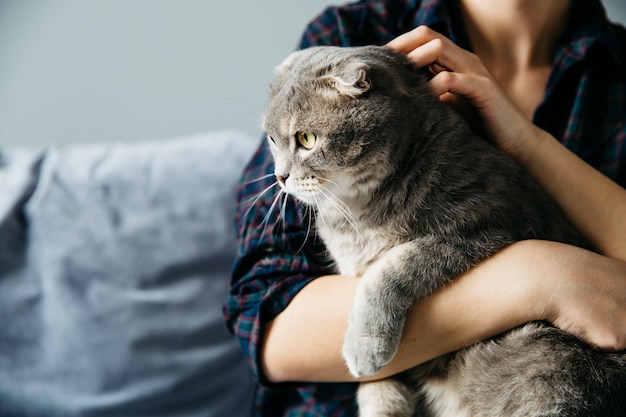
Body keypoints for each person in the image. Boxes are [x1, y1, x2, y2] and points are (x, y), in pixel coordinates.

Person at [224, 0, 626, 415]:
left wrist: (527, 143)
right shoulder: (353, 32)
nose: (281, 176)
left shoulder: (614, 68)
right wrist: (539, 280)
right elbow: (267, 328)